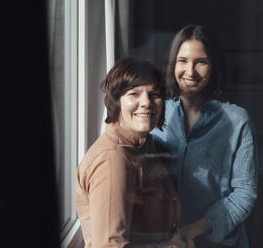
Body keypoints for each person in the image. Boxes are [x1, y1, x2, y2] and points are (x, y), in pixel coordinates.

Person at [151, 25, 258, 248]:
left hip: (218, 243)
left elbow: (245, 193)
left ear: (213, 67)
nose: (190, 71)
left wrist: (192, 230)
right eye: (182, 61)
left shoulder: (238, 120)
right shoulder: (154, 113)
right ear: (173, 64)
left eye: (201, 61)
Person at [76, 57, 187, 248]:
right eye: (134, 94)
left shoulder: (143, 145)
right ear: (116, 101)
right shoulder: (113, 159)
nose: (146, 103)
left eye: (154, 94)